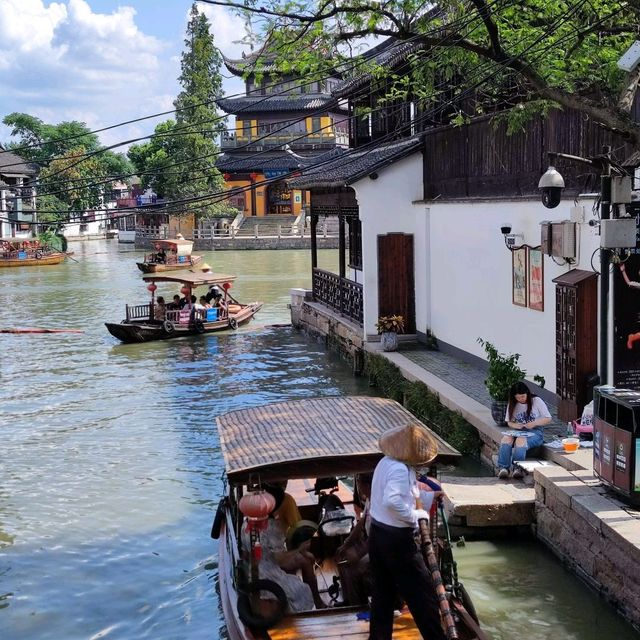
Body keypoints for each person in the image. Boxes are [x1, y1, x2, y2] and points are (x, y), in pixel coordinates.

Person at [368, 423, 446, 640]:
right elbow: (392, 501)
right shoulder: (400, 470)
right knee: (423, 594)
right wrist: (415, 517)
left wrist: (430, 497)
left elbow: (405, 497)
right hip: (396, 540)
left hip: (378, 535)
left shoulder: (385, 463)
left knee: (382, 596)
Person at [242, 485, 326, 611]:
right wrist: (300, 549)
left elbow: (245, 554)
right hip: (269, 573)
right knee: (302, 590)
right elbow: (280, 560)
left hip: (251, 572)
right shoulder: (272, 527)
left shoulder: (246, 524)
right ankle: (311, 608)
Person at [497, 381, 552, 479]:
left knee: (520, 439)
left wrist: (534, 423)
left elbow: (548, 418)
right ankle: (503, 468)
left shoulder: (536, 401)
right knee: (506, 438)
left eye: (522, 396)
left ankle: (518, 468)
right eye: (517, 397)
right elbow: (509, 422)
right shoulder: (513, 403)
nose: (520, 399)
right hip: (519, 430)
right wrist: (516, 425)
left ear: (527, 393)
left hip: (535, 432)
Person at [335, 472, 373, 605]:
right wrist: (345, 545)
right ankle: (348, 599)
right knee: (340, 556)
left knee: (353, 566)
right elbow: (361, 524)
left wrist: (357, 555)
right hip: (369, 545)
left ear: (367, 485)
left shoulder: (379, 502)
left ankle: (357, 604)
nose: (358, 487)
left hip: (378, 549)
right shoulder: (369, 499)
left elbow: (375, 537)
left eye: (359, 484)